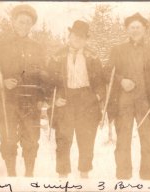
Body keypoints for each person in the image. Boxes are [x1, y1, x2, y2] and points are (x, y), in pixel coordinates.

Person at [0, 4, 48, 177]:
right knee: (8, 141)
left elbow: (44, 75)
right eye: (21, 22)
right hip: (8, 101)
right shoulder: (0, 45)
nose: (24, 26)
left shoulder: (37, 47)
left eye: (28, 23)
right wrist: (3, 83)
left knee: (31, 142)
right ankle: (11, 176)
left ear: (32, 25)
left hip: (31, 103)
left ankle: (29, 177)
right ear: (13, 22)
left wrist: (42, 97)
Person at [106, 13, 150, 180]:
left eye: (138, 27)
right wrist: (121, 80)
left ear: (145, 29)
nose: (135, 30)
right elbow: (107, 72)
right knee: (123, 141)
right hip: (123, 102)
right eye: (132, 27)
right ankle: (123, 177)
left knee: (148, 140)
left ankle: (148, 177)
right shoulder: (117, 50)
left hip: (146, 102)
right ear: (127, 30)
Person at [48, 20, 105, 178]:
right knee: (63, 140)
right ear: (69, 35)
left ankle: (84, 175)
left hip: (87, 101)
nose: (77, 40)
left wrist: (96, 97)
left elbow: (101, 82)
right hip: (65, 100)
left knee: (86, 141)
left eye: (81, 37)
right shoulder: (57, 56)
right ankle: (63, 176)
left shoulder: (92, 57)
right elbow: (47, 81)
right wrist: (55, 99)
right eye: (75, 36)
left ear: (86, 39)